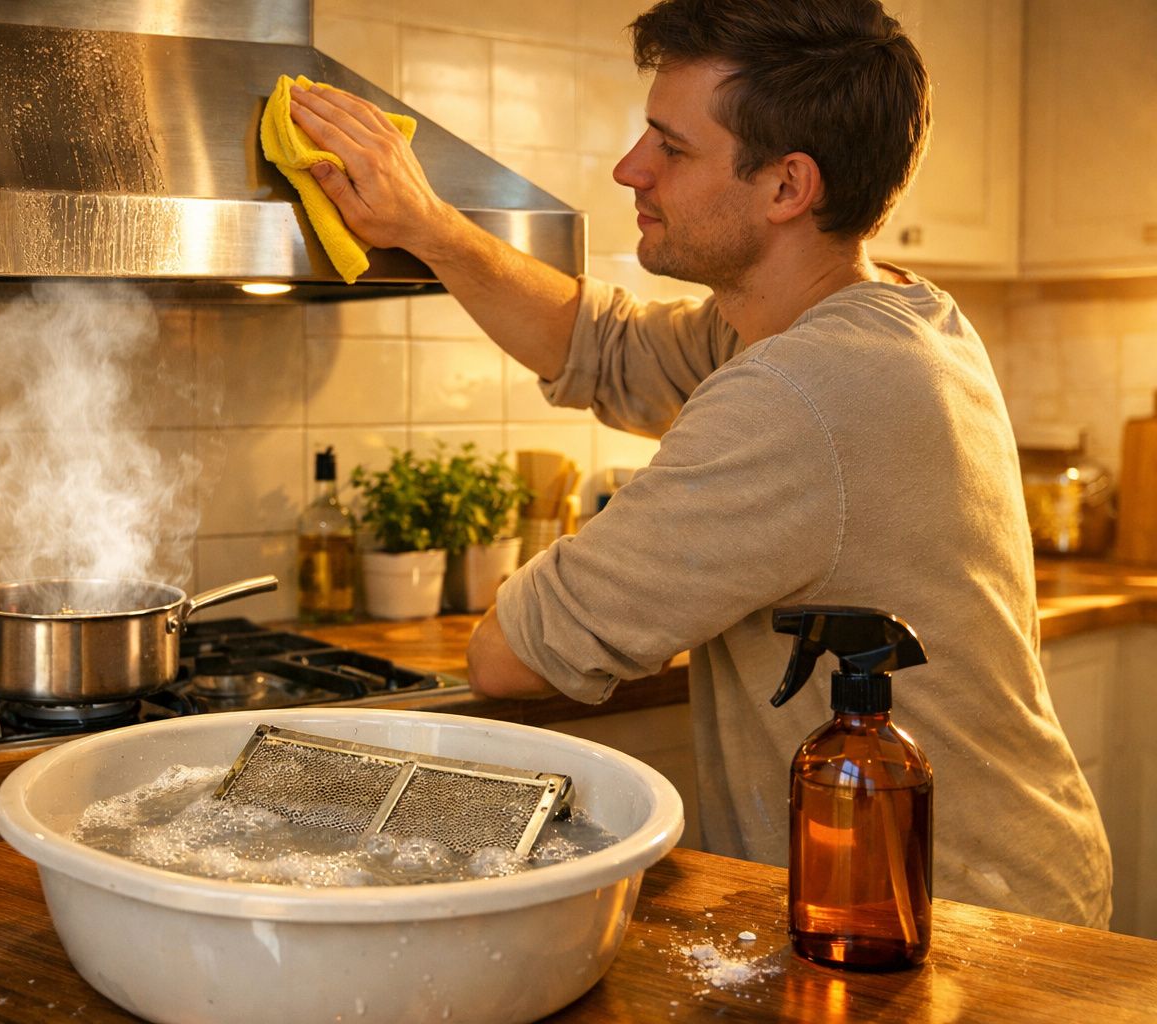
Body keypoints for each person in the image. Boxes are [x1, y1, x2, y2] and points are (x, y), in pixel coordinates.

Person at [288, 0, 1112, 928]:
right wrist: (430, 226)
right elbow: (601, 345)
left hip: (952, 925)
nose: (629, 169)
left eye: (670, 148)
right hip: (945, 886)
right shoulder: (870, 319)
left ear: (787, 186)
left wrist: (624, 546)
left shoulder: (805, 390)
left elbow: (513, 654)